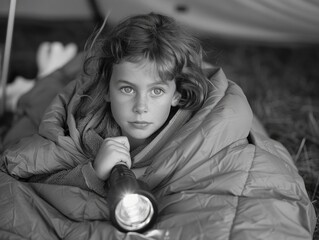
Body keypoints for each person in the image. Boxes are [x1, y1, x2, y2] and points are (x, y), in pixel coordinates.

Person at [0, 12, 316, 240]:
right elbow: (28, 165)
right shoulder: (84, 124)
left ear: (177, 94)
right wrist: (93, 172)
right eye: (127, 89)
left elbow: (254, 197)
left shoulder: (206, 132)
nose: (141, 107)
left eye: (156, 91)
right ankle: (40, 79)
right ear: (108, 89)